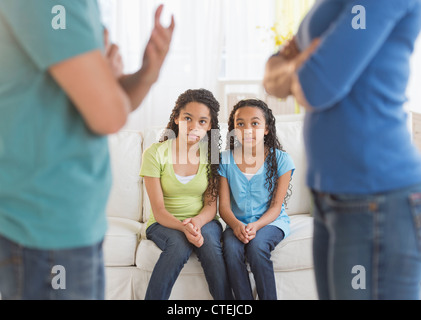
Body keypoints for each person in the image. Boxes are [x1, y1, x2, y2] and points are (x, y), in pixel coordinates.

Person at [0, 0, 174, 300]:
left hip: (74, 224)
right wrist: (108, 82)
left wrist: (147, 72)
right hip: (42, 229)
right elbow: (109, 114)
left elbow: (106, 102)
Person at [263, 0, 421, 300]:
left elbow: (316, 86)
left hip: (376, 195)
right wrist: (300, 65)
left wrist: (295, 68)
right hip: (329, 194)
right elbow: (272, 80)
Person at [139, 89, 233, 300]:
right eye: (187, 118)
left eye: (202, 121)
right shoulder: (155, 153)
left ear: (209, 125)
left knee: (209, 245)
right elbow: (159, 209)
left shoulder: (212, 154)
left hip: (204, 220)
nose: (193, 127)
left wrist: (196, 223)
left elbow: (211, 205)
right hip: (163, 223)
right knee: (178, 246)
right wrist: (183, 227)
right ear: (176, 118)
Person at [218, 99, 295, 300]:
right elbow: (224, 207)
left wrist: (257, 225)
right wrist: (236, 226)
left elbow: (277, 206)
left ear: (266, 129)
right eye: (240, 124)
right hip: (236, 223)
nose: (247, 129)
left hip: (270, 221)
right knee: (231, 250)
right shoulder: (224, 160)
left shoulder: (281, 160)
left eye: (255, 123)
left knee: (257, 247)